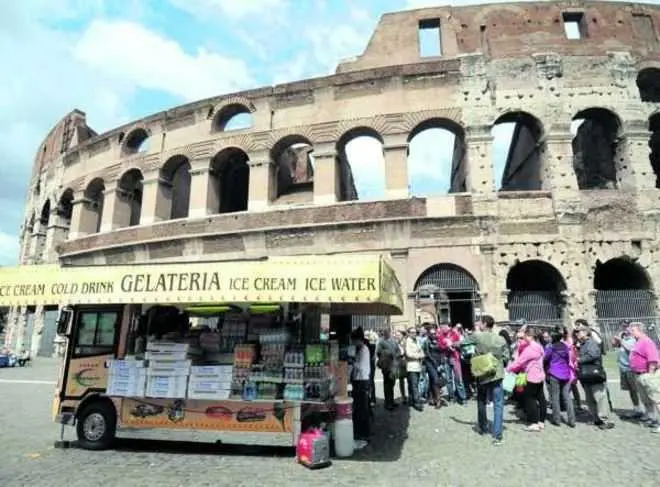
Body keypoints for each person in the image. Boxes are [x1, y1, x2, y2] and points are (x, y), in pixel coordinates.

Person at [472, 314, 510, 446]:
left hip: (482, 373)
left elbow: (462, 343)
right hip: (496, 373)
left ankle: (483, 427)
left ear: (483, 324)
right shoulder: (500, 339)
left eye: (480, 323)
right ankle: (498, 435)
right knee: (498, 404)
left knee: (481, 400)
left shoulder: (477, 336)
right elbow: (506, 357)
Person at [507, 328, 547, 432]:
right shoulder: (539, 346)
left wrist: (508, 369)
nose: (523, 338)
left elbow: (519, 362)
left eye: (524, 336)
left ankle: (534, 422)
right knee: (541, 398)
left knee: (530, 399)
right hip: (540, 375)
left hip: (532, 376)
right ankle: (541, 421)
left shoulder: (530, 349)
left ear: (529, 336)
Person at [576, 325, 614, 430]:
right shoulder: (582, 344)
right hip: (586, 374)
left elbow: (593, 355)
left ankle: (605, 419)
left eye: (579, 332)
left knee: (599, 397)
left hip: (594, 374)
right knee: (590, 398)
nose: (577, 334)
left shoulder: (591, 343)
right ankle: (596, 418)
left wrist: (579, 360)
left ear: (586, 333)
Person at [628, 322, 660, 433]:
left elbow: (653, 359)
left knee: (656, 399)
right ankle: (652, 418)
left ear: (640, 330)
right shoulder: (638, 342)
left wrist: (650, 375)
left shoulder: (646, 341)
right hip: (639, 374)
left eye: (632, 330)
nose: (630, 332)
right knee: (646, 400)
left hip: (647, 374)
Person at [544, 327, 576, 427]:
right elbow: (567, 359)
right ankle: (572, 420)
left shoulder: (551, 348)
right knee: (567, 397)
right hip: (565, 374)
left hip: (554, 374)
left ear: (553, 338)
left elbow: (545, 359)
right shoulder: (565, 347)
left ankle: (556, 419)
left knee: (555, 397)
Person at [612, 323, 644, 418]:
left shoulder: (634, 339)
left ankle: (647, 410)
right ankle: (637, 408)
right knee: (631, 390)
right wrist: (616, 340)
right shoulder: (623, 338)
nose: (625, 328)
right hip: (623, 368)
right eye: (623, 326)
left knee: (637, 390)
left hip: (631, 368)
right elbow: (614, 345)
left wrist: (621, 340)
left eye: (627, 327)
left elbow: (630, 349)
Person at [350, 328, 371, 444]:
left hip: (362, 381)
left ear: (358, 340)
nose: (353, 343)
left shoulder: (364, 350)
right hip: (359, 380)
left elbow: (362, 367)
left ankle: (364, 433)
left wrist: (353, 362)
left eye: (353, 340)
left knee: (362, 408)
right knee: (359, 408)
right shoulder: (361, 349)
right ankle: (360, 432)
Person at [438, 323, 466, 404]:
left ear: (448, 327)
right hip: (446, 359)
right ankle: (451, 397)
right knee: (448, 379)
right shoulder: (440, 336)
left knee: (458, 378)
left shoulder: (455, 334)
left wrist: (453, 345)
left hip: (455, 358)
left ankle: (462, 397)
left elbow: (460, 344)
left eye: (444, 327)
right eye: (441, 327)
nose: (443, 328)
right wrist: (447, 346)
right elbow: (440, 346)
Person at [422, 324, 445, 408]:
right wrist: (435, 362)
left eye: (435, 333)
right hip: (430, 363)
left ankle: (431, 398)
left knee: (433, 381)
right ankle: (438, 400)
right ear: (428, 334)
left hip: (438, 362)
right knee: (435, 380)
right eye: (432, 334)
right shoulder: (426, 342)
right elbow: (427, 354)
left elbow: (442, 351)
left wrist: (442, 361)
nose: (434, 335)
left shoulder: (438, 340)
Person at [376, 329, 399, 410]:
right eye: (385, 333)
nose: (386, 334)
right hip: (386, 365)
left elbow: (397, 350)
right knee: (387, 385)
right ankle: (387, 403)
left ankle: (391, 401)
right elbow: (378, 352)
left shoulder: (393, 341)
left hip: (394, 365)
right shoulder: (381, 342)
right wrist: (385, 354)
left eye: (388, 332)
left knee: (392, 383)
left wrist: (397, 355)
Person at [404, 326, 425, 411]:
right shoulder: (408, 341)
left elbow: (421, 350)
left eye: (415, 332)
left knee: (412, 384)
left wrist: (421, 354)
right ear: (408, 333)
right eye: (412, 332)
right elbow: (408, 354)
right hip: (411, 366)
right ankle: (417, 402)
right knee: (414, 385)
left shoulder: (416, 340)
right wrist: (419, 356)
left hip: (417, 366)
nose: (414, 334)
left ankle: (411, 400)